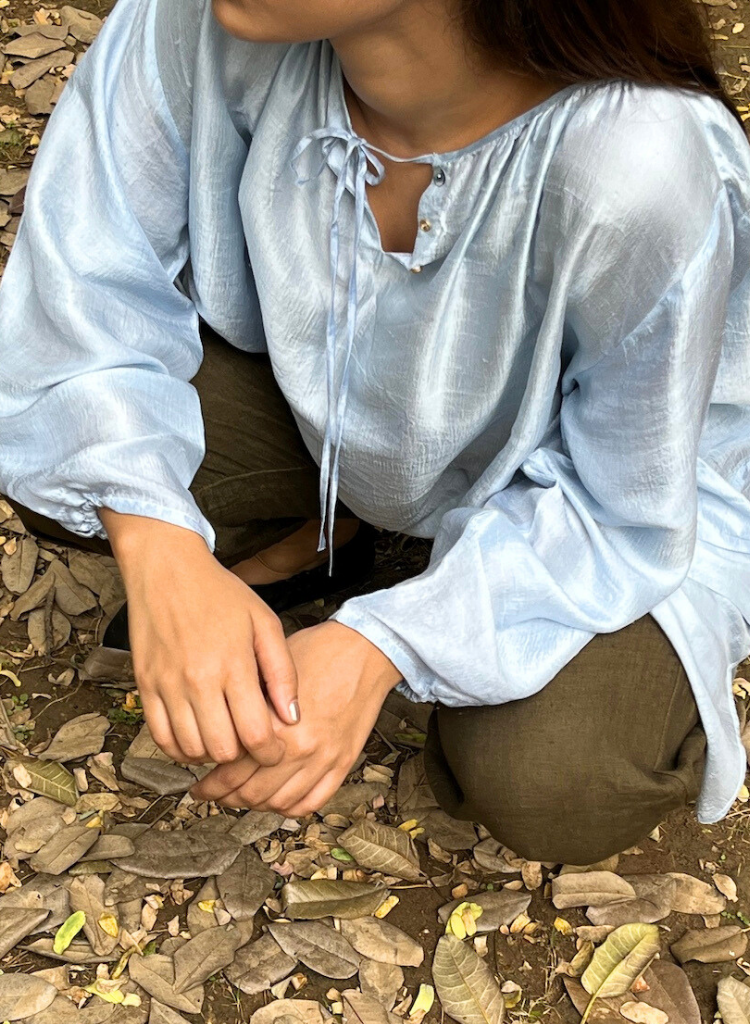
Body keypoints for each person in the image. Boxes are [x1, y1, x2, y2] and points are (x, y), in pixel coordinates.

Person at [1, 0, 749, 866]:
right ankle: (324, 534)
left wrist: (378, 648)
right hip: (327, 401)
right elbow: (82, 295)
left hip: (614, 492)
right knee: (65, 448)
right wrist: (158, 546)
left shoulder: (638, 162)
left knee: (554, 781)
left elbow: (624, 500)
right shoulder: (206, 16)